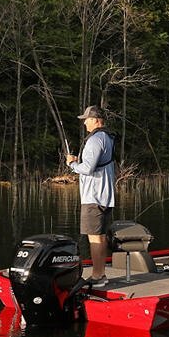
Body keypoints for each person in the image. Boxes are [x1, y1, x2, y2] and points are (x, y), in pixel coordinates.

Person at [66, 105, 115, 286]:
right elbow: (94, 163)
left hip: (94, 197)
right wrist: (80, 162)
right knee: (100, 237)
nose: (85, 122)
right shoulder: (107, 138)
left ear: (95, 120)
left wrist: (72, 164)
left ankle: (96, 276)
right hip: (104, 195)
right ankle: (100, 274)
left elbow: (87, 169)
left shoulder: (95, 140)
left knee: (94, 238)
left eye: (86, 119)